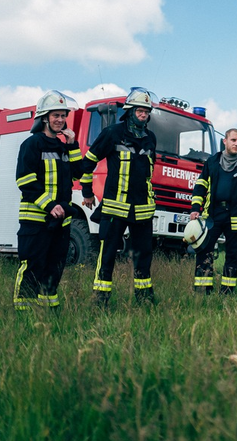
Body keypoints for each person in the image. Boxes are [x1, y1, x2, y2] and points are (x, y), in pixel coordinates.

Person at [80, 88, 159, 306]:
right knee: (107, 254)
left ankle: (144, 298)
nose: (143, 115)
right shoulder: (112, 133)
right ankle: (100, 298)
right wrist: (87, 191)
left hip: (143, 209)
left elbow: (148, 173)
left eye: (146, 111)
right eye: (140, 111)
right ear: (130, 111)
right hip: (115, 208)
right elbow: (88, 162)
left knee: (143, 255)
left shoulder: (151, 138)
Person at [13, 91, 83, 311]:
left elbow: (78, 173)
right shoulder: (32, 144)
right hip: (36, 219)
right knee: (33, 265)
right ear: (44, 117)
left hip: (60, 222)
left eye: (63, 116)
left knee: (55, 266)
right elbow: (25, 181)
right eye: (56, 115)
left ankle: (48, 311)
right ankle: (24, 311)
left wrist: (72, 144)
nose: (60, 120)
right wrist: (50, 205)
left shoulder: (64, 148)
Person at [189, 128, 237, 294]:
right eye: (233, 140)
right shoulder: (212, 162)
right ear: (225, 141)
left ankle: (227, 291)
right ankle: (203, 289)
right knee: (204, 250)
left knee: (233, 254)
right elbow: (200, 186)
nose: (236, 144)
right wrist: (194, 208)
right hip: (212, 215)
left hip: (236, 217)